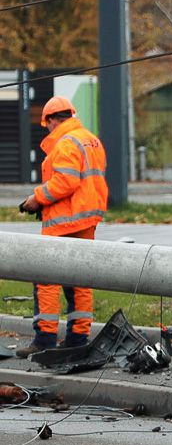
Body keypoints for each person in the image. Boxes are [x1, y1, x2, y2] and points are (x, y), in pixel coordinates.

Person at [15, 96, 109, 358]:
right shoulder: (90, 139)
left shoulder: (66, 142)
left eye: (47, 124)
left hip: (64, 220)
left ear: (53, 120)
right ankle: (78, 339)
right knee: (80, 279)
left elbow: (65, 181)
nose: (47, 128)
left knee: (46, 277)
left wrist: (37, 198)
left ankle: (44, 338)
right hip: (86, 219)